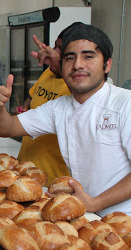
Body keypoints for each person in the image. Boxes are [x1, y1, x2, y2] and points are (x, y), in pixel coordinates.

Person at [0, 24, 131, 235]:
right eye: (70, 58)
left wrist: (94, 203)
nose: (78, 65)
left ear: (107, 65)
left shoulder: (129, 103)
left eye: (88, 57)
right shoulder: (59, 108)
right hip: (90, 217)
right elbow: (6, 127)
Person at [15, 24, 84, 186]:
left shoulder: (78, 86)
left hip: (53, 179)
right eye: (55, 46)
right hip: (25, 167)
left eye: (61, 49)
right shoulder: (48, 72)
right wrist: (25, 108)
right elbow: (32, 95)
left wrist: (61, 66)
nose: (54, 51)